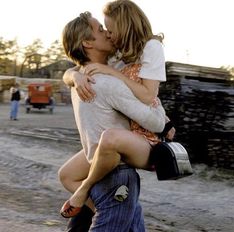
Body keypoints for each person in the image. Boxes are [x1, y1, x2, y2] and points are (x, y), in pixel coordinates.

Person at [60, 0, 175, 222]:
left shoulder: (146, 50)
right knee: (66, 175)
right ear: (87, 42)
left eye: (108, 29)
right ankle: (112, 214)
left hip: (142, 140)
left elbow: (149, 97)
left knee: (109, 138)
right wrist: (74, 76)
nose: (109, 35)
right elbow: (70, 71)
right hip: (114, 146)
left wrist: (166, 121)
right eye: (102, 30)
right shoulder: (112, 61)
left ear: (123, 26)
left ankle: (89, 193)